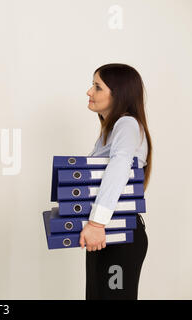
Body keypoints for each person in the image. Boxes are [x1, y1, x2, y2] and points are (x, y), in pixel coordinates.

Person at [79, 63, 152, 300]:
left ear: (117, 94)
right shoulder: (109, 132)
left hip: (118, 237)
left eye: (97, 87)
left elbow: (120, 167)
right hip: (107, 236)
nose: (89, 92)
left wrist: (97, 223)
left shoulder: (127, 124)